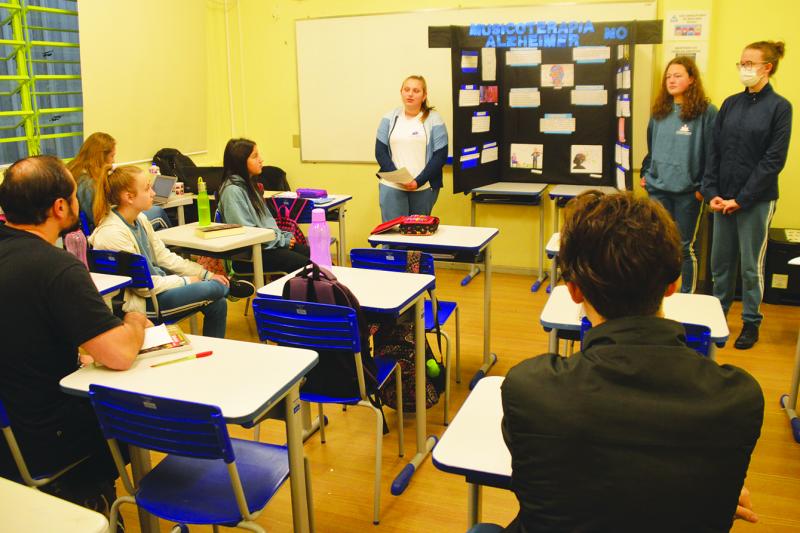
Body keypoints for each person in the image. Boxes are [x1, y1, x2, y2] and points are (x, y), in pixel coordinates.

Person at [499, 192, 763, 532]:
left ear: (573, 290)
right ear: (674, 284)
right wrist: (713, 495)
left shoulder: (530, 389)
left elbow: (539, 481)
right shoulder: (738, 399)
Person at [0, 155, 149, 517]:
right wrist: (133, 322)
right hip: (44, 436)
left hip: (9, 431)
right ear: (60, 206)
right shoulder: (57, 268)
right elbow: (119, 354)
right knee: (137, 420)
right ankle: (96, 505)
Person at [89, 165, 252, 338]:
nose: (153, 193)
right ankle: (228, 287)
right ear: (129, 197)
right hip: (141, 305)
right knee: (214, 289)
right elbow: (143, 289)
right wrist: (187, 281)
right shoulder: (112, 234)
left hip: (158, 290)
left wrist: (205, 274)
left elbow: (165, 257)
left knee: (217, 301)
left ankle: (214, 351)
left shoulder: (140, 219)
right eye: (147, 188)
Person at [702, 40, 792, 349]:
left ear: (767, 67)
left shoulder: (780, 107)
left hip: (756, 201)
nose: (744, 69)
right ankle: (718, 317)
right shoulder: (730, 104)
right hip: (721, 197)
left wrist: (742, 199)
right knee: (719, 265)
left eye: (749, 63)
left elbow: (773, 160)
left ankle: (751, 322)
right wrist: (711, 191)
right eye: (741, 63)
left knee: (751, 266)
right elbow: (714, 150)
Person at [641, 56, 717, 294]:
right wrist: (646, 173)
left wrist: (703, 188)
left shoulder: (706, 112)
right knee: (657, 245)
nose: (671, 81)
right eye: (668, 77)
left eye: (678, 76)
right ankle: (657, 295)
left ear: (692, 78)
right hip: (657, 190)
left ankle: (687, 298)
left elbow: (714, 153)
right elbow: (651, 149)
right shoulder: (659, 111)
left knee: (684, 248)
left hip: (688, 193)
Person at [217, 138, 311, 273]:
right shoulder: (233, 191)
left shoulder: (250, 186)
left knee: (318, 257)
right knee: (307, 265)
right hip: (251, 255)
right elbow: (248, 234)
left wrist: (283, 237)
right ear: (241, 162)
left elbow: (267, 223)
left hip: (266, 246)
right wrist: (281, 241)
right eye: (255, 156)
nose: (261, 160)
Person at [375, 75, 448, 222]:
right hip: (392, 186)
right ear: (401, 92)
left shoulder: (435, 120)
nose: (410, 94)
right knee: (393, 238)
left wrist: (417, 182)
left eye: (416, 90)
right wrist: (398, 177)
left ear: (424, 95)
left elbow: (440, 156)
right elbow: (380, 152)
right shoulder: (388, 119)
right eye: (407, 89)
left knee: (418, 237)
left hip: (424, 187)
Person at [68, 132, 170, 231]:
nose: (113, 161)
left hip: (99, 225)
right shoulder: (87, 185)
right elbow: (99, 217)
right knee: (158, 212)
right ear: (100, 156)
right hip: (104, 227)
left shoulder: (75, 171)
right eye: (112, 156)